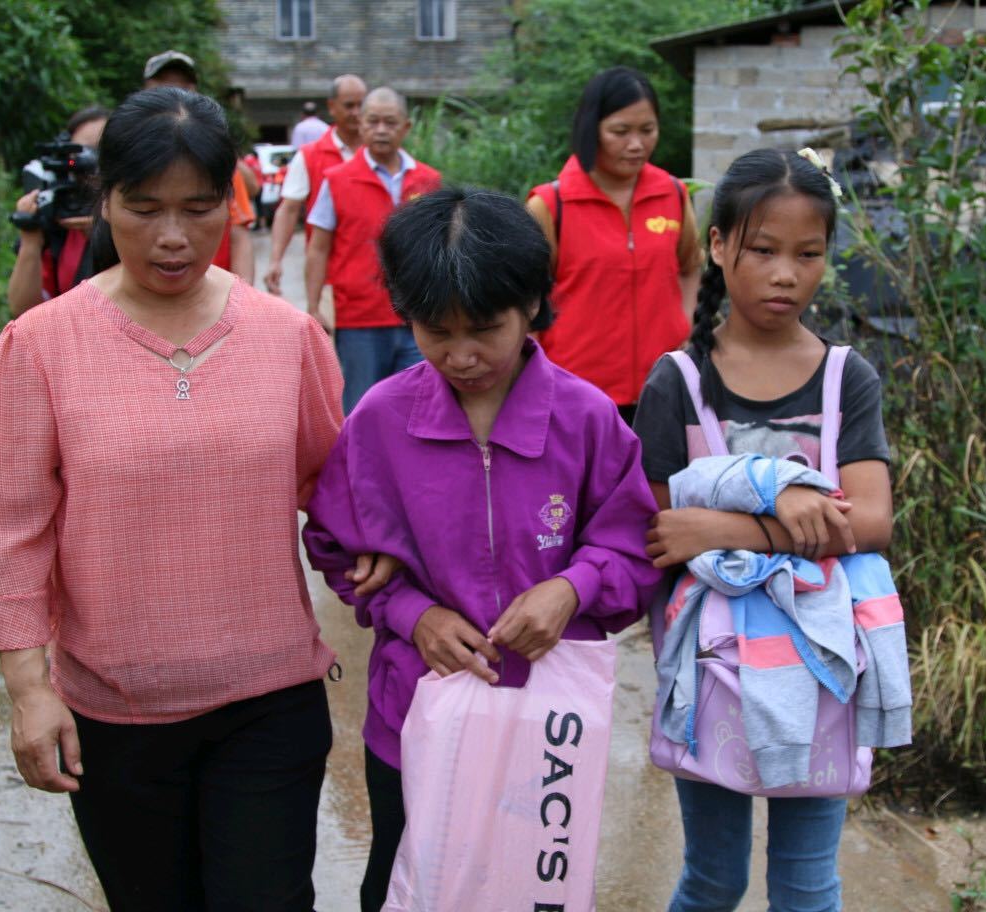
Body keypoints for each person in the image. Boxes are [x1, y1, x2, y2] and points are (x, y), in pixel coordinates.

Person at [0, 87, 356, 912]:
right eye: (143, 209)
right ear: (104, 203)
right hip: (114, 716)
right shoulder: (38, 347)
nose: (172, 237)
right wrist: (30, 691)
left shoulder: (288, 339)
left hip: (269, 699)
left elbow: (337, 493)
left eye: (198, 207)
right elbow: (13, 533)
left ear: (232, 204)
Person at [302, 188, 661, 912]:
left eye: (485, 330)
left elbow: (634, 552)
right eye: (436, 331)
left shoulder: (588, 421)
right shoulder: (380, 422)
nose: (462, 356)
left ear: (531, 304)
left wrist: (573, 588)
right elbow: (335, 545)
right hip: (416, 714)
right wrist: (412, 614)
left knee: (530, 885)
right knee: (405, 880)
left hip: (547, 726)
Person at [631, 148, 895, 912]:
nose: (787, 274)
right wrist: (783, 511)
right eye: (764, 251)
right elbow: (661, 531)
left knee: (808, 885)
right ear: (717, 246)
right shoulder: (676, 383)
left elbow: (872, 520)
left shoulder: (849, 378)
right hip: (713, 670)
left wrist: (731, 524)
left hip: (823, 669)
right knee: (714, 879)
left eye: (808, 254)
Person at [527, 66, 702, 425]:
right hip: (575, 391)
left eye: (647, 130)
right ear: (591, 129)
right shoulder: (550, 205)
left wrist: (682, 325)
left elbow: (690, 265)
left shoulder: (672, 194)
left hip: (662, 387)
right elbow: (524, 300)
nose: (636, 144)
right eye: (620, 132)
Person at [304, 86, 440, 413]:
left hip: (417, 318)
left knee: (419, 406)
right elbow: (318, 248)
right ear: (360, 125)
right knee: (361, 409)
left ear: (406, 127)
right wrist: (313, 307)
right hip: (358, 319)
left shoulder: (427, 180)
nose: (381, 130)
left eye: (390, 123)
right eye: (373, 121)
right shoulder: (336, 180)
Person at [143, 50, 255, 283]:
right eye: (164, 87)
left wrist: (244, 302)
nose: (174, 96)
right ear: (146, 89)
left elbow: (239, 231)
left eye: (183, 88)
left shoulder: (214, 157)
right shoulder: (125, 151)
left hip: (210, 294)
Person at [265, 74, 367, 296]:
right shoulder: (310, 155)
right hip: (326, 277)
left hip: (377, 278)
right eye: (349, 105)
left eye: (361, 105)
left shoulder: (381, 154)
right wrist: (275, 259)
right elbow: (289, 208)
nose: (356, 112)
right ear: (332, 106)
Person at [7, 106, 109, 317]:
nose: (92, 164)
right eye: (82, 153)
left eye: (103, 151)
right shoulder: (60, 215)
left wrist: (108, 235)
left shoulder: (140, 217)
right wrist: (30, 240)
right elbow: (23, 311)